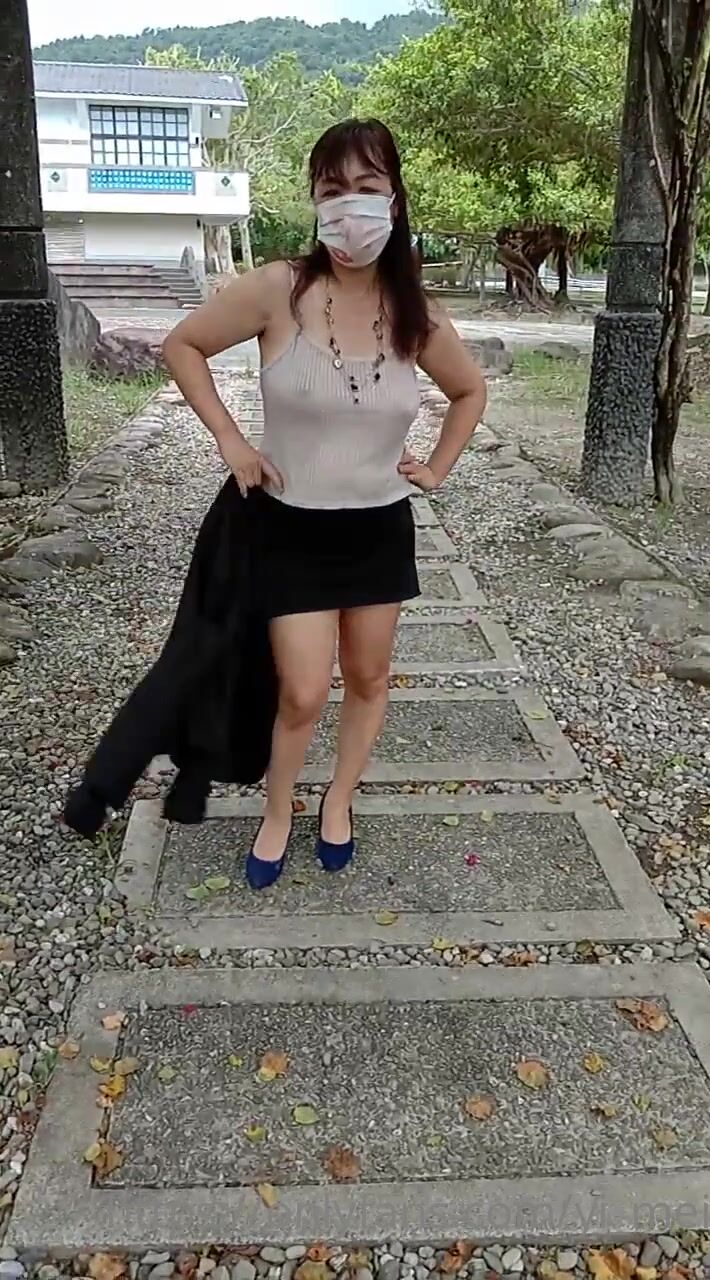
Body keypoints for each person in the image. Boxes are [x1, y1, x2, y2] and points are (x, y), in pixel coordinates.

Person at [162, 117, 487, 890]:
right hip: (289, 529)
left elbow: (470, 390)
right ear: (314, 200)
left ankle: (338, 801)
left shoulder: (416, 312)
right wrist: (231, 441)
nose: (349, 207)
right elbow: (182, 345)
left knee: (369, 678)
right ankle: (278, 811)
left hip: (377, 529)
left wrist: (437, 466)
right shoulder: (280, 288)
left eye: (367, 188)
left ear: (395, 199)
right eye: (332, 190)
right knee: (303, 692)